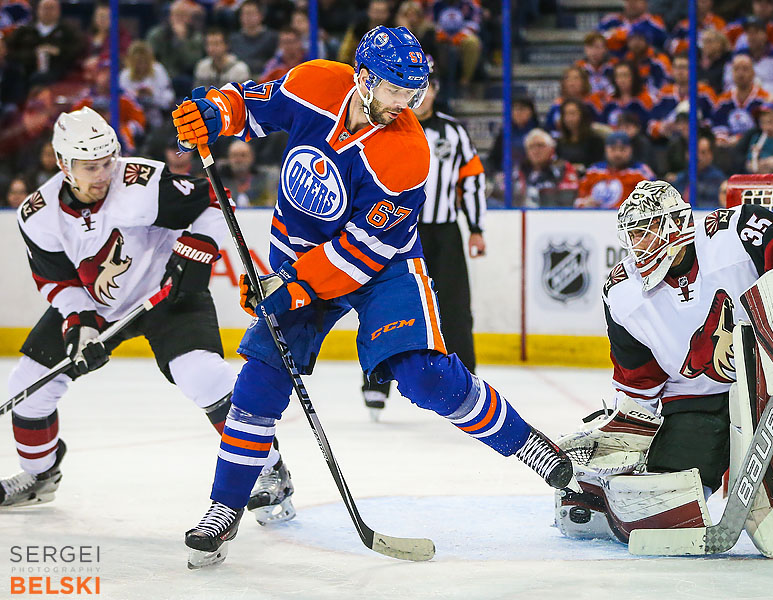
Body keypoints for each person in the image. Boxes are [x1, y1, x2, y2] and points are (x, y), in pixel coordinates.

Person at [171, 25, 577, 568]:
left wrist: (291, 288)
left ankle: (527, 444)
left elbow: (360, 252)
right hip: (300, 258)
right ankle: (224, 509)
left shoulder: (407, 152)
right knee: (259, 382)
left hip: (383, 268)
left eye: (415, 93)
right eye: (395, 91)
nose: (406, 103)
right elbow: (254, 104)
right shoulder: (316, 83)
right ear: (363, 78)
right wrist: (215, 114)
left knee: (424, 376)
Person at [0, 107, 295, 527]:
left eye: (107, 161)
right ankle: (39, 474)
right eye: (90, 166)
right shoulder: (39, 213)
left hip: (168, 293)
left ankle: (270, 469)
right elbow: (56, 280)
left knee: (204, 376)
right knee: (27, 387)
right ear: (64, 165)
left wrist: (196, 247)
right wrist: (79, 324)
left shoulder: (141, 181)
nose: (103, 173)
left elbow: (216, 199)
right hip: (98, 306)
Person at [555, 180, 773, 557]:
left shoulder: (731, 233)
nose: (637, 246)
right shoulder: (621, 293)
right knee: (665, 508)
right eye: (632, 235)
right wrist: (629, 426)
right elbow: (638, 377)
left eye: (645, 231)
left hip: (767, 387)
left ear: (675, 226)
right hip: (692, 401)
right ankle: (598, 490)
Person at [359, 58, 486, 418]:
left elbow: (472, 180)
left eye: (425, 87)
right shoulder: (381, 126)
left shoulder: (453, 132)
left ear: (434, 91)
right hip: (393, 230)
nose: (420, 95)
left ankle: (466, 383)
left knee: (456, 308)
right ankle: (375, 382)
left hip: (444, 232)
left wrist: (476, 228)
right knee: (383, 303)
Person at [574, 131, 655, 209]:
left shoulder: (641, 172)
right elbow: (577, 201)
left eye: (622, 149)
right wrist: (585, 204)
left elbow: (654, 202)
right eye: (613, 149)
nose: (618, 154)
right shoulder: (593, 171)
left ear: (631, 150)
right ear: (606, 149)